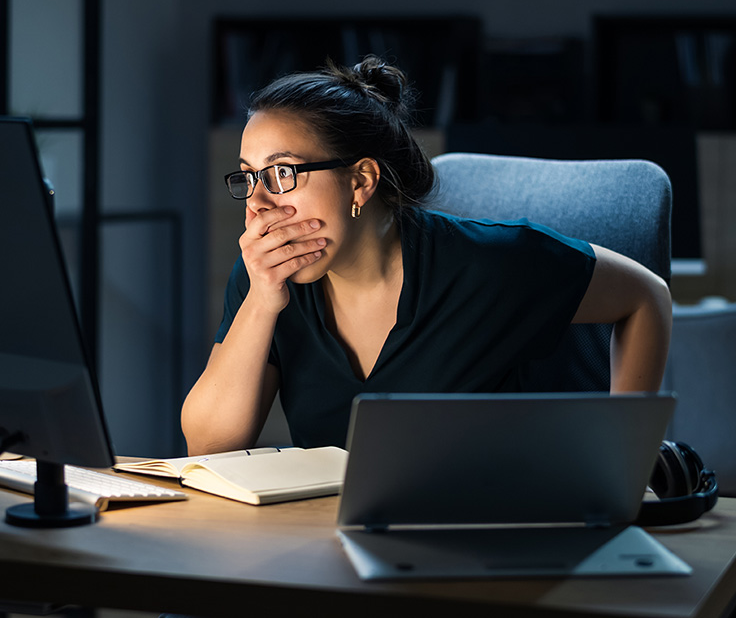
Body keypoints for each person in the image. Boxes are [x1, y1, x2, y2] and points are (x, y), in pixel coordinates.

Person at [180, 55, 672, 456]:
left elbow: (645, 296)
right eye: (248, 177)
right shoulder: (266, 279)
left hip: (490, 529)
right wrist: (262, 302)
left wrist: (625, 458)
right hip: (330, 542)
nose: (259, 204)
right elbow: (208, 444)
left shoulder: (491, 263)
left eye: (283, 173)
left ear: (361, 180)